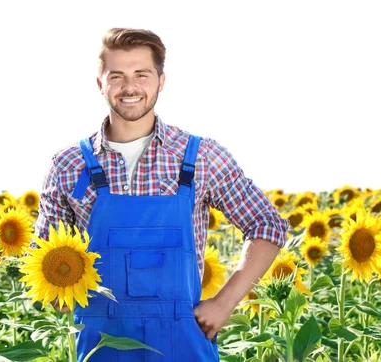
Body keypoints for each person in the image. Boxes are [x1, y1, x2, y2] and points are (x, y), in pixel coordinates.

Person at [34, 27, 289, 361]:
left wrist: (225, 303)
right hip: (102, 346)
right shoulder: (67, 164)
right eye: (117, 76)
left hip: (183, 343)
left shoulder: (199, 156)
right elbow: (42, 260)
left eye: (142, 74)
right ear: (100, 83)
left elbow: (267, 224)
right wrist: (56, 287)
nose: (130, 87)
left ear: (161, 81)